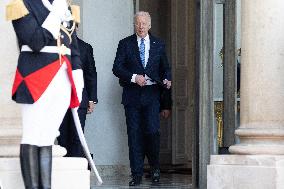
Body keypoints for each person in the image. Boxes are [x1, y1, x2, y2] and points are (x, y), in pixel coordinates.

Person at [6, 0, 83, 188]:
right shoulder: (22, 4)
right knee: (32, 135)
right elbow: (36, 41)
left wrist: (78, 76)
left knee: (47, 137)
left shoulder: (65, 5)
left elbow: (73, 47)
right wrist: (56, 13)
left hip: (62, 77)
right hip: (35, 77)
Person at [112, 11, 171, 186]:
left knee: (152, 132)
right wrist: (133, 77)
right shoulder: (125, 44)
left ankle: (154, 169)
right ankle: (136, 174)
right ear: (134, 24)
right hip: (132, 96)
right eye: (138, 23)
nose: (141, 26)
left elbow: (165, 68)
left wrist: (167, 78)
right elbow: (117, 68)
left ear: (149, 25)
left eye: (144, 23)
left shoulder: (159, 44)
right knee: (134, 135)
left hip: (152, 95)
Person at [57, 25, 98, 158]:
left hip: (79, 100)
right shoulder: (53, 47)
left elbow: (90, 75)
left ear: (76, 27)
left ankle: (74, 172)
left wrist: (92, 99)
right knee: (62, 138)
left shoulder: (85, 48)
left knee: (77, 137)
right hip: (59, 101)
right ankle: (65, 170)